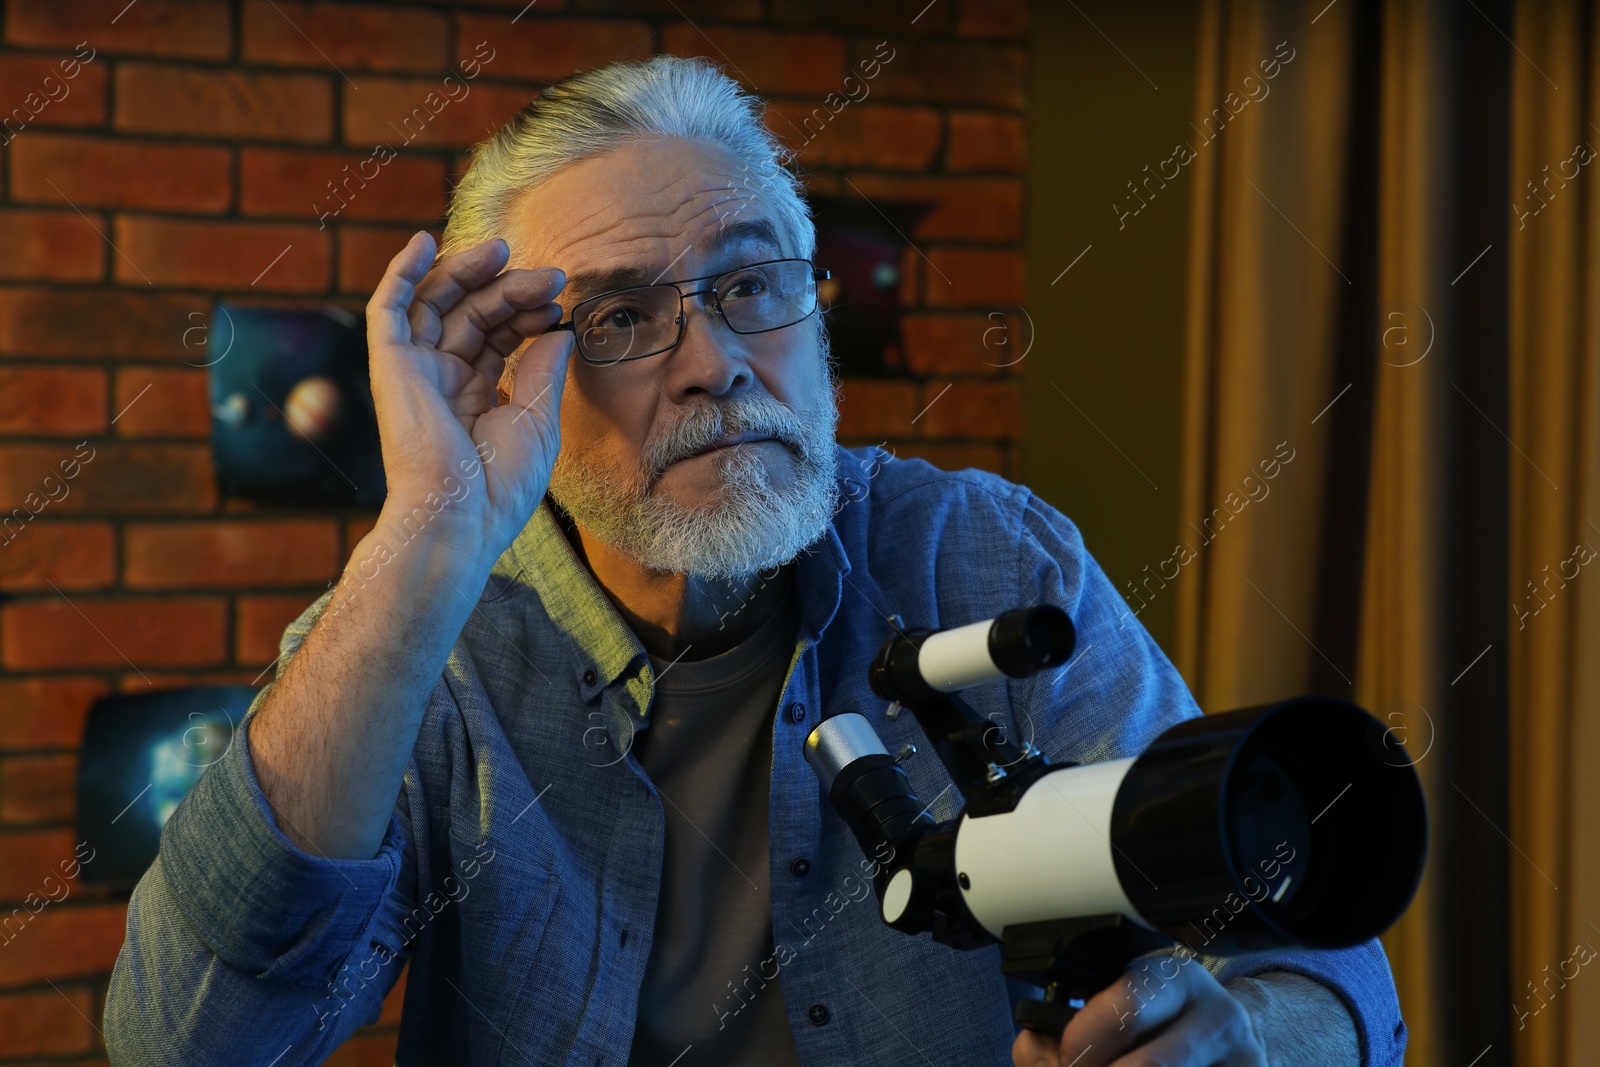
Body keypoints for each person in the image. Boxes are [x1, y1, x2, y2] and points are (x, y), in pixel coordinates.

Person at [103, 54, 1404, 1067]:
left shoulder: (988, 561)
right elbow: (191, 1040)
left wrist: (1251, 1038)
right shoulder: (417, 637)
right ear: (516, 381)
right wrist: (428, 531)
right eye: (619, 316)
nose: (718, 360)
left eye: (750, 287)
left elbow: (1314, 952)